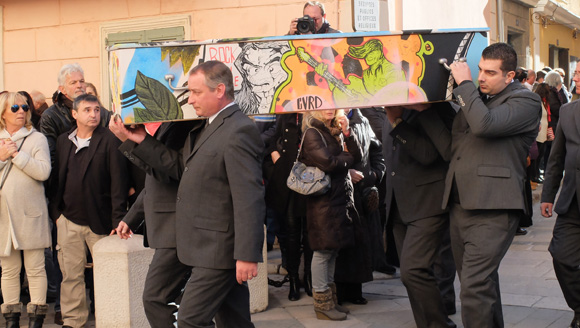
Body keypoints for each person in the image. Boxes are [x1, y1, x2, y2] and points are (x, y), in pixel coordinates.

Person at [110, 60, 265, 328]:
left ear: (219, 90)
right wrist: (138, 140)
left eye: (195, 92)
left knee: (191, 320)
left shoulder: (239, 129)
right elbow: (183, 169)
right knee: (234, 319)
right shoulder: (210, 125)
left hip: (219, 247)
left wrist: (247, 254)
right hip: (205, 242)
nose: (189, 99)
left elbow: (248, 197)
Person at [446, 42, 541, 327]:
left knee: (474, 285)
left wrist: (464, 84)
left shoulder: (525, 100)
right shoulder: (479, 100)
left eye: (490, 72)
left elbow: (484, 125)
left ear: (509, 75)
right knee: (480, 285)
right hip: (461, 204)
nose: (481, 77)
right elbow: (454, 147)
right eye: (479, 71)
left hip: (495, 207)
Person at [49, 94, 129, 328]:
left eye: (96, 110)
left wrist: (118, 219)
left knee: (108, 275)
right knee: (70, 275)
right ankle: (73, 321)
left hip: (102, 221)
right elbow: (58, 177)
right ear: (74, 114)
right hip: (68, 219)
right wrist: (56, 213)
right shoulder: (64, 140)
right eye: (87, 110)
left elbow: (119, 182)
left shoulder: (109, 140)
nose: (93, 114)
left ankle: (112, 319)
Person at [111, 120, 195, 328]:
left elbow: (171, 170)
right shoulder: (171, 122)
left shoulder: (184, 123)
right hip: (169, 225)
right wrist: (132, 217)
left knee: (155, 298)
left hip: (177, 226)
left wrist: (131, 140)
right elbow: (154, 177)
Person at [383, 102, 457, 328]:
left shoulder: (435, 108)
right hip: (398, 205)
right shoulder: (390, 109)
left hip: (428, 203)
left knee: (412, 271)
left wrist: (397, 122)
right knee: (415, 275)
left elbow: (428, 154)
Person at [299, 109, 361, 321]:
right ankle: (322, 303)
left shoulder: (334, 131)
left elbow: (357, 156)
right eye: (324, 105)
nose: (329, 110)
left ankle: (330, 301)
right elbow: (328, 163)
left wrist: (348, 133)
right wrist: (346, 158)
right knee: (323, 250)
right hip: (322, 201)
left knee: (333, 249)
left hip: (337, 199)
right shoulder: (312, 132)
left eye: (333, 106)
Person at [0, 92, 51, 328]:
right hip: (4, 218)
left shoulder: (36, 138)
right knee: (9, 270)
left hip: (31, 214)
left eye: (24, 107)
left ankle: (36, 321)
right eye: (14, 108)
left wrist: (16, 155)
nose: (21, 111)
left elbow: (43, 172)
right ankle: (11, 320)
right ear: (3, 113)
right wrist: (1, 159)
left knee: (35, 269)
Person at [540, 64, 580, 328]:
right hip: (572, 202)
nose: (575, 77)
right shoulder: (568, 111)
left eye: (579, 74)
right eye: (577, 74)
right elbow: (556, 159)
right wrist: (548, 195)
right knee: (562, 256)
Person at [334, 108, 385, 305]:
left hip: (362, 195)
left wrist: (375, 174)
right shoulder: (328, 122)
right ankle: (338, 290)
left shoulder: (362, 119)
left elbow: (377, 151)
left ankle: (355, 289)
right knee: (341, 243)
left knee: (360, 243)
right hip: (339, 194)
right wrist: (348, 173)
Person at [266, 113, 312, 301]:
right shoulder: (283, 115)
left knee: (310, 234)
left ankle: (308, 278)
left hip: (310, 182)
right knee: (291, 234)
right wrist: (277, 160)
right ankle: (293, 280)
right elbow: (269, 140)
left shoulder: (313, 115)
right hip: (288, 185)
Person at [40, 63, 111, 168]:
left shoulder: (102, 112)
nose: (79, 85)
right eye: (73, 82)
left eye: (82, 81)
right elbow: (51, 155)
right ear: (62, 89)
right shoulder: (50, 116)